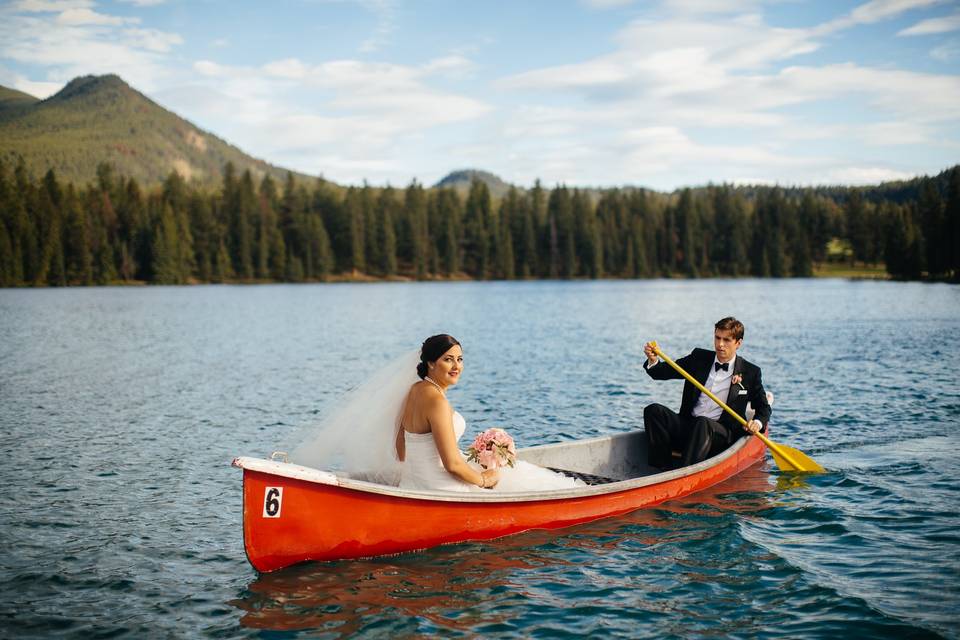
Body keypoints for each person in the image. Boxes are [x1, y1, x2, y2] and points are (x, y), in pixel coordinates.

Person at [396, 334, 585, 493]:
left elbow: (400, 447)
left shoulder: (415, 389)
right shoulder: (437, 402)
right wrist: (483, 480)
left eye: (459, 359)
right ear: (430, 363)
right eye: (448, 359)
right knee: (520, 479)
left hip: (413, 483)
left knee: (515, 471)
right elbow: (452, 465)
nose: (456, 366)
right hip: (440, 488)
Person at [642, 317, 771, 470]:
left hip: (721, 435)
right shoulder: (699, 357)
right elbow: (662, 372)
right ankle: (662, 469)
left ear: (738, 343)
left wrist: (756, 423)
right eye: (717, 338)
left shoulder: (751, 372)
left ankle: (685, 472)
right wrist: (653, 360)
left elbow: (763, 408)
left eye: (726, 340)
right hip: (689, 426)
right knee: (653, 410)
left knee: (703, 423)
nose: (720, 344)